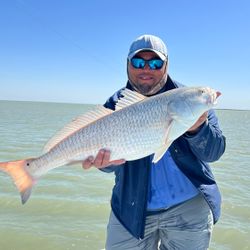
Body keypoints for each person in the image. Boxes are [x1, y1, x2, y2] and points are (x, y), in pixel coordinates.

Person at [82, 34, 226, 250]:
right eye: (139, 62)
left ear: (166, 65)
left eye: (155, 62)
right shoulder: (115, 104)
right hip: (132, 210)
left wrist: (198, 128)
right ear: (128, 65)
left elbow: (214, 152)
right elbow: (109, 164)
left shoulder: (189, 98)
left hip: (189, 208)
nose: (146, 69)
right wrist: (104, 163)